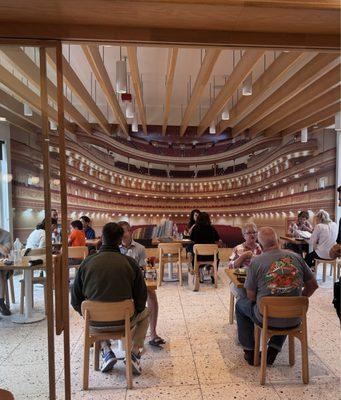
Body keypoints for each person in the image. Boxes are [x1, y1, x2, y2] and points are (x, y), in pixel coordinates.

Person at [71, 222, 149, 375]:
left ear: (102, 238)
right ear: (120, 240)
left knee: (96, 311)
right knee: (146, 313)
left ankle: (106, 350)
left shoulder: (86, 263)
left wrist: (88, 314)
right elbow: (141, 299)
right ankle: (133, 352)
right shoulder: (130, 263)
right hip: (123, 322)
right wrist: (133, 310)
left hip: (94, 324)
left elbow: (75, 301)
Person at [236, 227, 318, 366]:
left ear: (260, 246)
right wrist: (298, 302)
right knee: (285, 305)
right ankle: (273, 350)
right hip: (295, 317)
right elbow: (313, 286)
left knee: (240, 305)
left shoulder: (256, 262)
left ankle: (249, 352)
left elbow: (250, 296)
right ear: (278, 241)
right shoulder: (297, 257)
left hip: (267, 317)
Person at [118, 221, 165, 348]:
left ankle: (153, 334)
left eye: (124, 231)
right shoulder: (114, 248)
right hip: (119, 284)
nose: (121, 235)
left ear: (129, 232)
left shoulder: (140, 248)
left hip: (136, 282)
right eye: (119, 232)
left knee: (152, 295)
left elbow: (144, 269)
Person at [228, 222, 262, 299]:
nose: (252, 235)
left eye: (254, 232)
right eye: (249, 233)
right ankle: (244, 308)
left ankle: (254, 308)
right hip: (240, 281)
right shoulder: (238, 248)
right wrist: (243, 257)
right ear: (244, 236)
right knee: (242, 291)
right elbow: (230, 267)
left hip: (256, 280)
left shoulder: (261, 248)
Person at [190, 212, 221, 284]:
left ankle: (199, 275)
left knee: (192, 253)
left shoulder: (195, 228)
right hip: (212, 257)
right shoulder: (212, 229)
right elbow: (217, 239)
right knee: (216, 255)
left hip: (198, 257)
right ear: (208, 219)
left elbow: (191, 239)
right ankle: (213, 273)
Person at [0, 228, 12, 315]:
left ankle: (1, 302)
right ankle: (1, 303)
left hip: (4, 267)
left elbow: (5, 252)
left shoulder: (6, 234)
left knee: (1, 274)